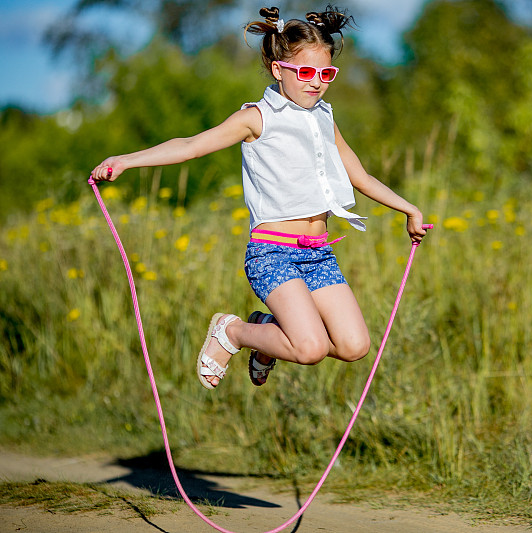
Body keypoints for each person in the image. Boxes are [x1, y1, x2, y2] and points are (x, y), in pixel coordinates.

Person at [90, 5, 427, 390]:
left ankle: (266, 328)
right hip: (273, 253)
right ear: (277, 69)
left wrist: (409, 208)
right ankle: (232, 332)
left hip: (319, 253)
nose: (316, 83)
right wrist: (127, 161)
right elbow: (192, 146)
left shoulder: (323, 118)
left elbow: (361, 176)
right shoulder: (257, 117)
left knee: (354, 346)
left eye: (326, 73)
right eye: (305, 72)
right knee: (310, 348)